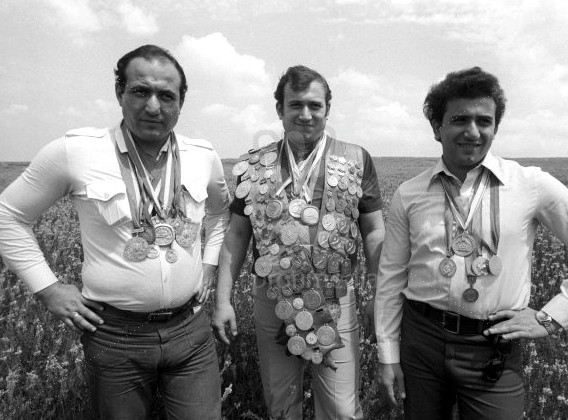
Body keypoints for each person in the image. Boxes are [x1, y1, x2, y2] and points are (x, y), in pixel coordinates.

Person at [0, 45, 230, 419]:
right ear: (119, 92)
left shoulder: (203, 155)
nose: (153, 106)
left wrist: (208, 266)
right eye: (140, 91)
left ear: (181, 102)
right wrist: (48, 288)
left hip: (191, 331)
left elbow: (220, 215)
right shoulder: (76, 151)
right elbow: (7, 216)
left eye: (166, 96)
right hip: (115, 337)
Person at [375, 66, 568, 420]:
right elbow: (390, 278)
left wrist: (552, 315)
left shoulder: (530, 185)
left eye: (484, 121)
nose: (473, 131)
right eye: (460, 119)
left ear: (496, 127)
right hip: (421, 341)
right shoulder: (409, 193)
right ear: (437, 127)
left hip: (493, 344)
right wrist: (387, 355)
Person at [212, 65, 385, 419]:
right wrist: (223, 299)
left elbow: (373, 231)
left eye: (315, 105)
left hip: (337, 299)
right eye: (295, 105)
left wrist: (380, 294)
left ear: (327, 110)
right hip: (271, 298)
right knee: (281, 404)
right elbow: (237, 234)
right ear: (280, 109)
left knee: (341, 409)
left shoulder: (356, 159)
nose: (305, 114)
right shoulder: (254, 165)